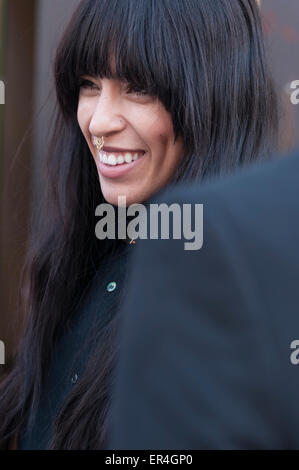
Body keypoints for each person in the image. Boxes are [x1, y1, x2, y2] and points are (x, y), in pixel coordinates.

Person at [0, 0, 278, 450]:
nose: (99, 120)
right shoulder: (85, 256)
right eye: (89, 84)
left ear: (213, 98)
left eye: (139, 88)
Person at [107, 150, 299, 450]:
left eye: (141, 98)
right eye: (84, 98)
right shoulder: (60, 279)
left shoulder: (209, 241)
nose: (100, 122)